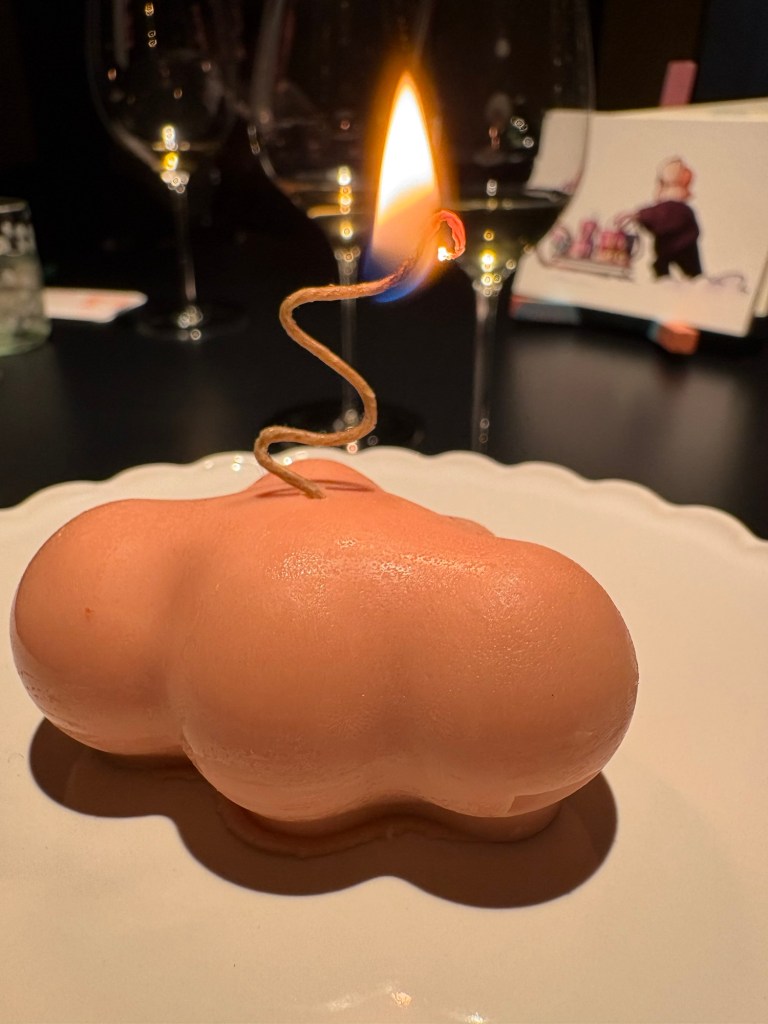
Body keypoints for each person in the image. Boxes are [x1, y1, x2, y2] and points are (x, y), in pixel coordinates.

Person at [621, 157, 702, 279]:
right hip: (675, 246)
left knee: (689, 273)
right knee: (664, 265)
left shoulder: (674, 208)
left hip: (680, 246)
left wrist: (638, 215)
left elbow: (660, 216)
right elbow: (658, 219)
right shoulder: (679, 209)